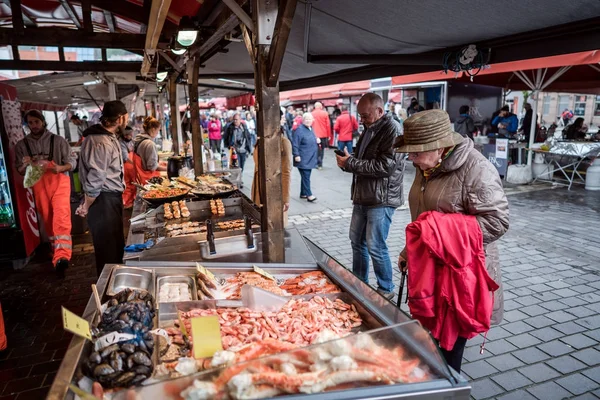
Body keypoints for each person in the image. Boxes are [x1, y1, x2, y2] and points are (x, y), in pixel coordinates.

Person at [394, 109, 508, 373]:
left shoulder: (476, 169)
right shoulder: (426, 165)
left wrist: (438, 232)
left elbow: (497, 222)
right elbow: (425, 220)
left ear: (439, 147)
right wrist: (408, 251)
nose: (410, 158)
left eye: (416, 152)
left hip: (460, 277)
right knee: (429, 341)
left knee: (449, 351)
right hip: (431, 269)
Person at [335, 93, 404, 299]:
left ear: (380, 111)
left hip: (380, 199)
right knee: (356, 241)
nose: (362, 120)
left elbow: (386, 166)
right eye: (360, 116)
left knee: (375, 245)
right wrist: (348, 162)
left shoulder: (393, 130)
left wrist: (351, 163)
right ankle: (359, 282)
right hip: (364, 195)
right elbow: (364, 160)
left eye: (365, 116)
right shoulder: (369, 129)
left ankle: (386, 288)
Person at [15, 110, 75, 278]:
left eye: (36, 122)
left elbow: (72, 161)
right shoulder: (21, 145)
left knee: (61, 217)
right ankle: (55, 251)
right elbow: (19, 170)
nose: (34, 126)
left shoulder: (58, 141)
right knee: (48, 221)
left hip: (59, 183)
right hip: (38, 186)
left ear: (43, 121)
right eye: (30, 123)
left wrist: (61, 168)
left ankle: (63, 257)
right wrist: (25, 165)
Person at [76, 100, 128, 276]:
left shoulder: (104, 137)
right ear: (120, 119)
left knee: (113, 248)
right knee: (109, 252)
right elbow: (96, 178)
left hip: (108, 199)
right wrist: (86, 205)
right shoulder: (101, 142)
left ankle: (114, 287)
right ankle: (109, 296)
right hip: (103, 201)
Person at [251, 133, 292, 225]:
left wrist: (285, 198)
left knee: (275, 225)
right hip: (259, 189)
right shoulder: (260, 140)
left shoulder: (283, 142)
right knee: (259, 223)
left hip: (274, 190)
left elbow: (286, 171)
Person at [132, 116, 167, 186]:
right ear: (153, 129)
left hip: (140, 178)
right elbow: (152, 167)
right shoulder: (150, 144)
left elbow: (145, 159)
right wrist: (168, 169)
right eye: (158, 130)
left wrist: (160, 163)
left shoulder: (139, 140)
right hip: (149, 180)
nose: (157, 133)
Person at [292, 113, 318, 202]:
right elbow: (295, 143)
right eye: (306, 119)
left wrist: (316, 140)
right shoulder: (299, 130)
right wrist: (296, 155)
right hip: (303, 158)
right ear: (303, 120)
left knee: (305, 176)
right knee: (306, 176)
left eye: (310, 119)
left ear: (312, 120)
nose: (308, 121)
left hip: (310, 157)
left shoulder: (310, 128)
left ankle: (303, 193)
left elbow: (311, 137)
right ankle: (309, 194)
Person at [311, 102, 332, 169]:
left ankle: (315, 163)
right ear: (321, 106)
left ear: (315, 106)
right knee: (321, 149)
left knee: (315, 149)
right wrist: (329, 135)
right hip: (323, 134)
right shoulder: (325, 113)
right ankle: (320, 163)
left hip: (314, 134)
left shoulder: (311, 114)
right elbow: (328, 125)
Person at [120, 126, 136, 208]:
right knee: (128, 186)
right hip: (126, 166)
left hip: (132, 167)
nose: (131, 136)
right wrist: (135, 163)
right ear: (125, 135)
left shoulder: (132, 141)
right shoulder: (121, 143)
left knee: (134, 185)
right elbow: (126, 157)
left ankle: (132, 202)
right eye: (129, 135)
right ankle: (126, 203)